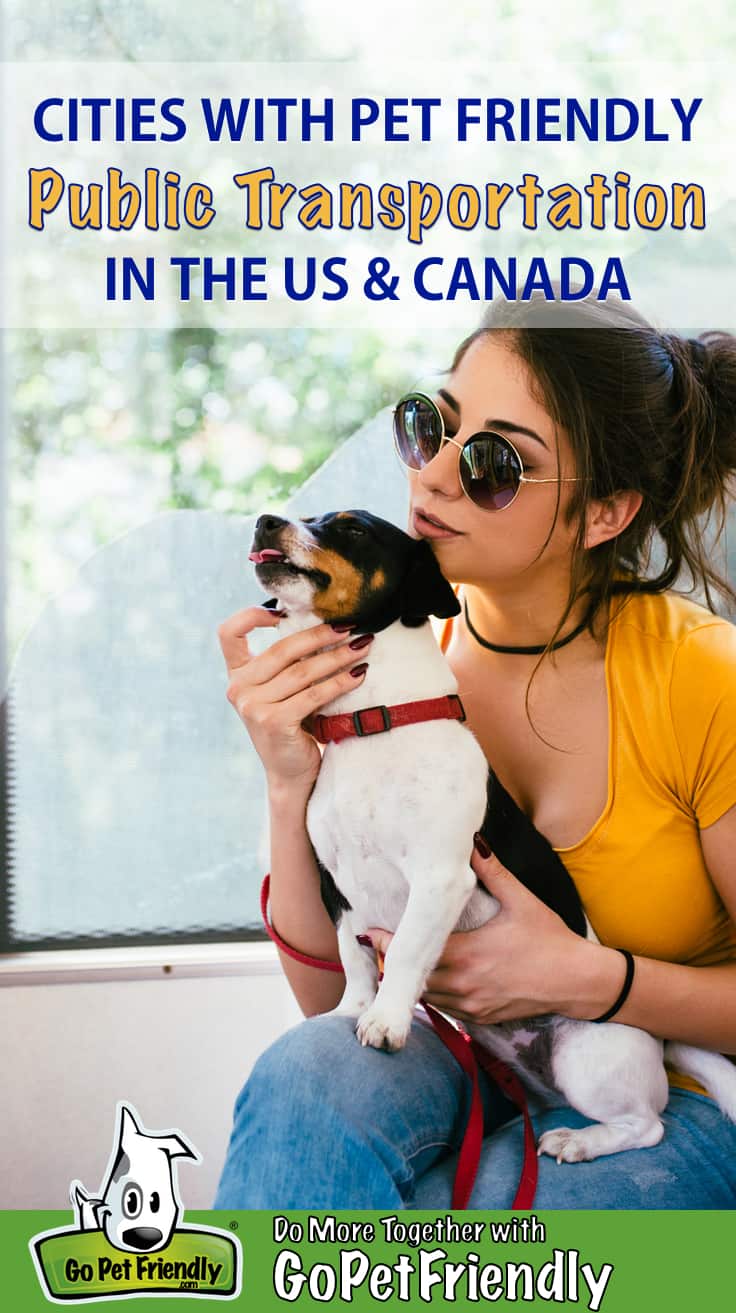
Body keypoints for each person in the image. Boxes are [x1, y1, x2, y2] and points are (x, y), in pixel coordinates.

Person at [214, 295, 736, 1208]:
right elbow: (334, 1000)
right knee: (305, 1075)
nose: (435, 478)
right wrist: (287, 780)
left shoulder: (705, 681)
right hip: (463, 1058)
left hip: (672, 1092)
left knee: (485, 1217)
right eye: (433, 425)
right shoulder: (386, 669)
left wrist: (593, 979)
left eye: (495, 463)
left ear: (605, 511)